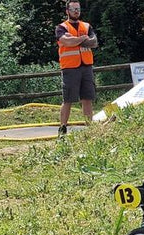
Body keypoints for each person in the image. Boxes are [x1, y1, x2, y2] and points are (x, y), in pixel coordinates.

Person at [55, 1, 98, 136]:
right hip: (70, 68)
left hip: (86, 67)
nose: (76, 11)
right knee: (68, 100)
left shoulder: (86, 26)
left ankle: (90, 129)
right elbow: (66, 42)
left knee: (87, 99)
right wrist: (83, 39)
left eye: (78, 9)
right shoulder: (61, 27)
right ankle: (62, 129)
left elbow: (94, 42)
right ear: (67, 11)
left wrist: (76, 40)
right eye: (73, 9)